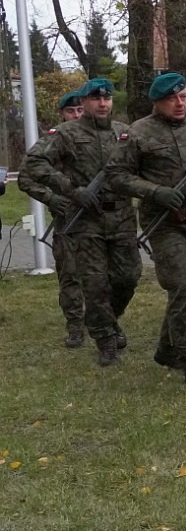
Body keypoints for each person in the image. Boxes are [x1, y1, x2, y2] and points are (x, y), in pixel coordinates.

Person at [107, 74, 186, 386]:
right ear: (157, 101)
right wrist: (155, 191)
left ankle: (166, 349)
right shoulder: (138, 133)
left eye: (183, 97)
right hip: (165, 223)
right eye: (172, 99)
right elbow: (116, 176)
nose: (180, 103)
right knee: (183, 288)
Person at [19, 78, 141, 365]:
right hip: (87, 220)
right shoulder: (65, 134)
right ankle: (105, 341)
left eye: (107, 98)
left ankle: (107, 319)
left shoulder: (125, 132)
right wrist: (71, 191)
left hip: (122, 216)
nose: (102, 104)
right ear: (84, 102)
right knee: (95, 283)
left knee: (128, 277)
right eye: (96, 99)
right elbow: (33, 164)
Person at [30, 90, 87, 347]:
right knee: (70, 276)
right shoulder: (52, 141)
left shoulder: (100, 137)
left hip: (101, 218)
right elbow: (26, 177)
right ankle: (75, 326)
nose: (76, 116)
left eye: (79, 111)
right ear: (61, 114)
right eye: (70, 111)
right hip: (68, 221)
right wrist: (53, 199)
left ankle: (104, 322)